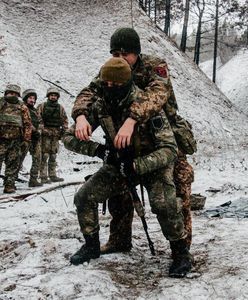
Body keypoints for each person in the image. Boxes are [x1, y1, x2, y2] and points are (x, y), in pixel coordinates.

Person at [63, 57, 193, 278]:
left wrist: (137, 165)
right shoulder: (101, 104)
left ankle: (181, 253)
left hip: (152, 164)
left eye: (116, 85)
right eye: (107, 84)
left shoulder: (146, 106)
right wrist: (99, 150)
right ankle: (91, 245)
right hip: (118, 163)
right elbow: (67, 137)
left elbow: (169, 150)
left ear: (127, 82)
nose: (110, 89)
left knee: (164, 203)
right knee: (84, 196)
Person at [0, 84, 32, 193]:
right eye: (10, 93)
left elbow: (27, 124)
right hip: (1, 140)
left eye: (15, 94)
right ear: (6, 93)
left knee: (13, 163)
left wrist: (26, 139)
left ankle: (9, 185)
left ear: (18, 95)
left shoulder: (22, 106)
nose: (12, 95)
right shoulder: (1, 103)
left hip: (15, 140)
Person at [37, 87, 68, 183]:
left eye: (55, 95)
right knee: (44, 155)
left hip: (55, 134)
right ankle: (43, 176)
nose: (53, 97)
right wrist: (42, 129)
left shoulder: (60, 108)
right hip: (45, 134)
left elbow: (64, 120)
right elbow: (38, 118)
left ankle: (53, 175)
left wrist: (64, 132)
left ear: (57, 97)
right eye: (51, 95)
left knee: (53, 156)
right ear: (48, 96)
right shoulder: (42, 106)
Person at [19, 89, 43, 187]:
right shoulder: (21, 108)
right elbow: (24, 123)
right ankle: (11, 180)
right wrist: (34, 130)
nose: (32, 100)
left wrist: (39, 131)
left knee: (37, 158)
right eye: (30, 98)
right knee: (18, 159)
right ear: (26, 98)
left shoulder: (35, 110)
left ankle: (33, 180)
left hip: (35, 139)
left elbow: (40, 122)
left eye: (34, 98)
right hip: (24, 138)